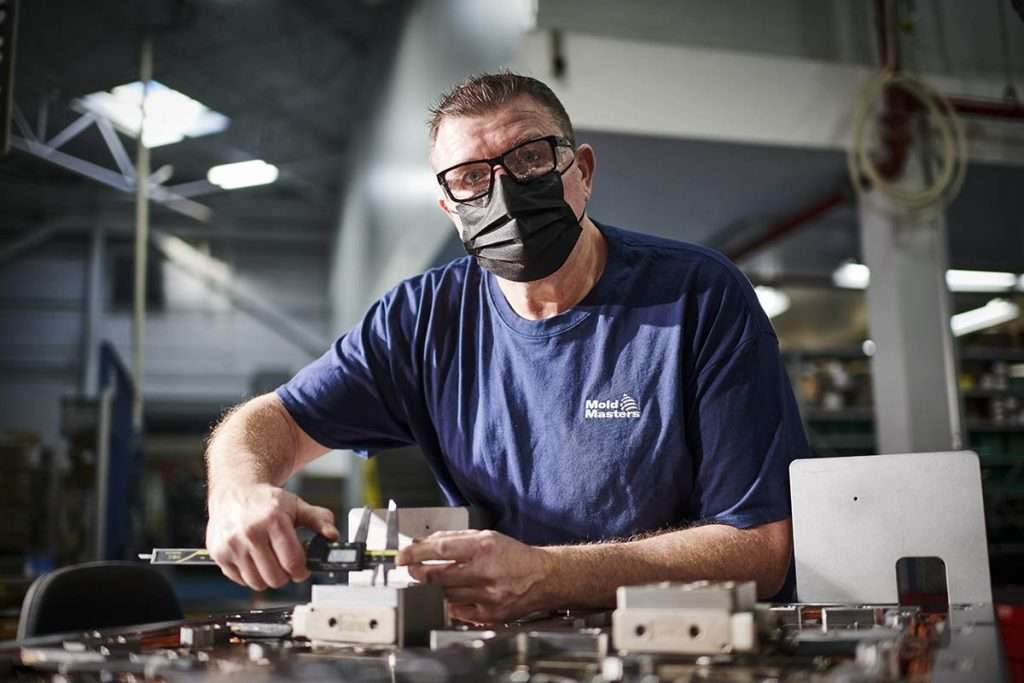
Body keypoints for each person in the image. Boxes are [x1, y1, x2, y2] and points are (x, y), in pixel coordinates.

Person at [204, 72, 809, 624]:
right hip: (509, 652)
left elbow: (759, 548)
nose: (506, 193)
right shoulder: (420, 322)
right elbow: (274, 418)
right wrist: (239, 492)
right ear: (450, 207)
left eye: (529, 158)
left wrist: (551, 575)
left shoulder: (697, 295)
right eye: (471, 177)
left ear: (583, 171)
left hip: (693, 648)